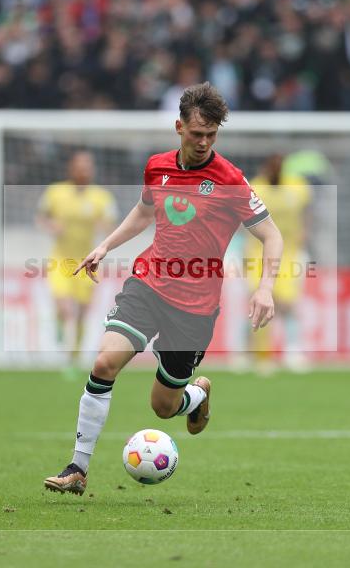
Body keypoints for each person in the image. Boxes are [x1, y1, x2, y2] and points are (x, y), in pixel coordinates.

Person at [44, 82, 284, 495]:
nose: (204, 142)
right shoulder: (157, 166)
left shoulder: (230, 180)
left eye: (211, 135)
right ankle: (77, 468)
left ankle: (197, 394)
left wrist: (265, 288)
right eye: (196, 134)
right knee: (103, 364)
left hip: (195, 307)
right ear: (179, 127)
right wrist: (104, 245)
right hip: (149, 284)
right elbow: (143, 211)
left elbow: (273, 236)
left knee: (163, 406)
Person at [36, 150, 117, 365]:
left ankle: (74, 355)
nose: (84, 170)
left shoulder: (101, 197)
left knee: (82, 312)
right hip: (60, 259)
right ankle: (61, 325)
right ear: (71, 168)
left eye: (88, 166)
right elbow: (41, 217)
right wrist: (51, 225)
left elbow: (111, 223)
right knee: (65, 308)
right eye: (80, 165)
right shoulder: (55, 192)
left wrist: (104, 227)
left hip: (87, 262)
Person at [245, 153, 311, 371]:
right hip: (258, 252)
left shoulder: (297, 187)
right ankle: (258, 355)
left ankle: (293, 350)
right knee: (259, 303)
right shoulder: (255, 188)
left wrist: (304, 231)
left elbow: (306, 212)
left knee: (288, 304)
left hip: (289, 253)